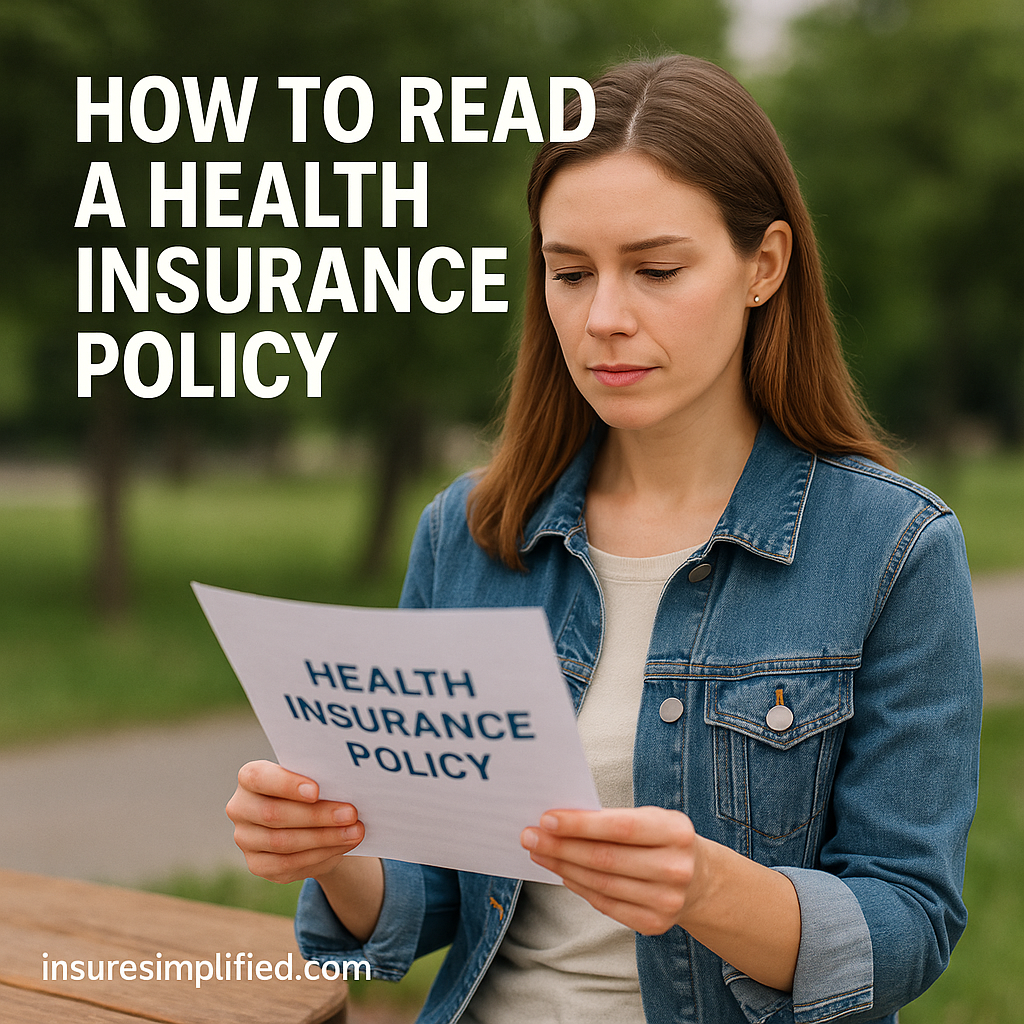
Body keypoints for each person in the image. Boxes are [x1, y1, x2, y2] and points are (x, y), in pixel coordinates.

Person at [226, 54, 982, 1023]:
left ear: (765, 264)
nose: (604, 319)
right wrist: (334, 850)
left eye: (656, 270)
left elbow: (909, 922)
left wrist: (709, 891)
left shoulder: (892, 551)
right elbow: (432, 899)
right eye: (569, 273)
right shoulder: (468, 535)